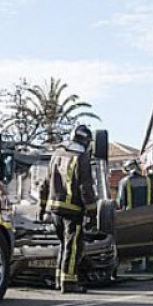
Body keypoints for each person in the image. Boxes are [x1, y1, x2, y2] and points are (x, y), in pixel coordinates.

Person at [46, 125, 98, 294]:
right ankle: (69, 282)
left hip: (54, 208)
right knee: (73, 246)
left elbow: (46, 182)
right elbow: (85, 186)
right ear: (86, 141)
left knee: (63, 245)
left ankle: (58, 279)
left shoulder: (56, 154)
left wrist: (42, 206)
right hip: (72, 210)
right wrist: (92, 211)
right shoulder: (81, 157)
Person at [117, 159, 153, 272]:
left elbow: (120, 201)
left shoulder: (124, 181)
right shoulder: (149, 181)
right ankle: (152, 265)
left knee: (135, 241)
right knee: (149, 239)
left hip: (131, 217)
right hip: (148, 215)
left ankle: (136, 265)